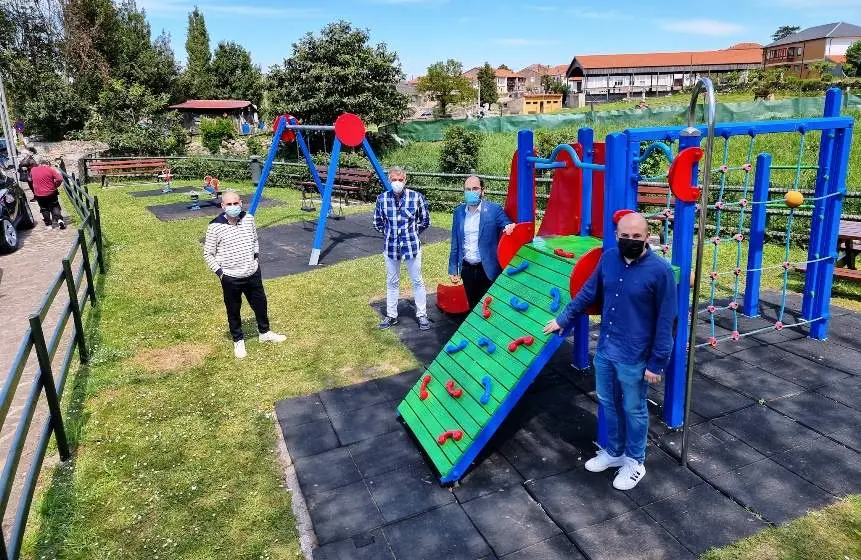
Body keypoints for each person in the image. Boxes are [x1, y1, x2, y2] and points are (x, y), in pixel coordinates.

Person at [543, 212, 677, 491]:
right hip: (606, 348)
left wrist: (657, 363)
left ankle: (635, 462)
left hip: (636, 355)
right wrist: (563, 319)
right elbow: (588, 294)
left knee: (634, 407)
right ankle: (615, 453)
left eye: (637, 237)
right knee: (607, 401)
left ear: (647, 236)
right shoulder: (608, 259)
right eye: (625, 236)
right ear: (617, 235)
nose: (630, 240)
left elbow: (667, 321)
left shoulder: (660, 271)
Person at [204, 190, 286, 359]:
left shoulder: (249, 219)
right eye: (229, 204)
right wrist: (221, 273)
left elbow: (255, 240)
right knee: (233, 309)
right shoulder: (215, 227)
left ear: (241, 203)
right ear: (222, 206)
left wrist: (255, 259)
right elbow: (208, 254)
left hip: (252, 272)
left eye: (236, 203)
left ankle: (265, 332)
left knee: (260, 304)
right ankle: (238, 341)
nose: (233, 207)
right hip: (231, 277)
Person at [374, 166, 431, 330]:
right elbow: (377, 222)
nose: (397, 182)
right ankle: (391, 316)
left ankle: (421, 314)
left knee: (417, 280)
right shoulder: (382, 199)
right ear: (389, 180)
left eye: (400, 179)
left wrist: (412, 233)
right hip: (391, 247)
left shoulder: (416, 197)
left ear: (405, 180)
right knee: (392, 281)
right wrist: (389, 234)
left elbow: (425, 220)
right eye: (394, 179)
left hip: (412, 246)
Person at [448, 175, 516, 310]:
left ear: (482, 191)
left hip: (487, 269)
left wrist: (510, 227)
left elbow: (507, 225)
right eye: (468, 189)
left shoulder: (494, 210)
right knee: (473, 306)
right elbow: (455, 242)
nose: (471, 192)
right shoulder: (459, 212)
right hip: (467, 268)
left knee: (490, 307)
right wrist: (453, 268)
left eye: (475, 189)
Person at [30, 156, 65, 229]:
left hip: (39, 194)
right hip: (51, 192)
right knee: (55, 205)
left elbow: (30, 179)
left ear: (38, 164)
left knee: (44, 208)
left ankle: (48, 224)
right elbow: (60, 179)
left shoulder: (33, 170)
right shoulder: (50, 169)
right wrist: (56, 185)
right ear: (45, 164)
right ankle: (59, 220)